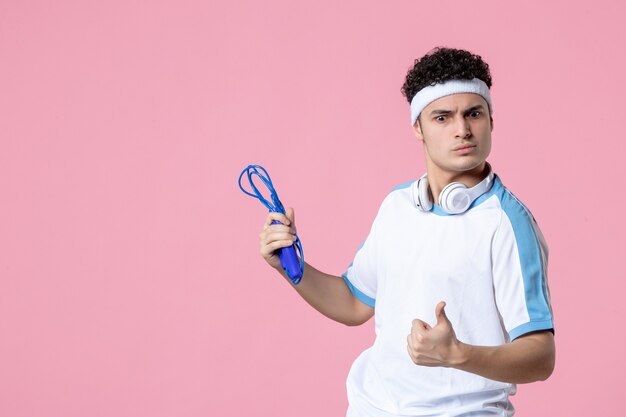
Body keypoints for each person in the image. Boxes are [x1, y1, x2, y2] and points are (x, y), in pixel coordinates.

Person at [258, 47, 555, 417]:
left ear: (491, 119)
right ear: (418, 127)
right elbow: (353, 303)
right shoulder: (398, 206)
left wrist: (457, 355)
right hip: (373, 409)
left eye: (473, 114)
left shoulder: (508, 222)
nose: (462, 130)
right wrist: (289, 267)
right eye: (442, 117)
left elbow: (541, 356)